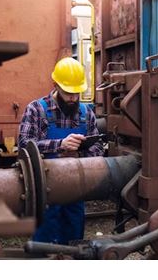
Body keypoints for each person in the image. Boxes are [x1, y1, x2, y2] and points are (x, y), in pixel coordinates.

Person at [18, 57, 104, 245]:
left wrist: (81, 152)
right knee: (45, 244)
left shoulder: (86, 113)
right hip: (45, 192)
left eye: (77, 93)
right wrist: (59, 145)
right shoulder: (36, 110)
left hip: (76, 189)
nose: (73, 98)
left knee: (74, 242)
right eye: (68, 93)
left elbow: (98, 149)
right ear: (55, 85)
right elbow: (24, 145)